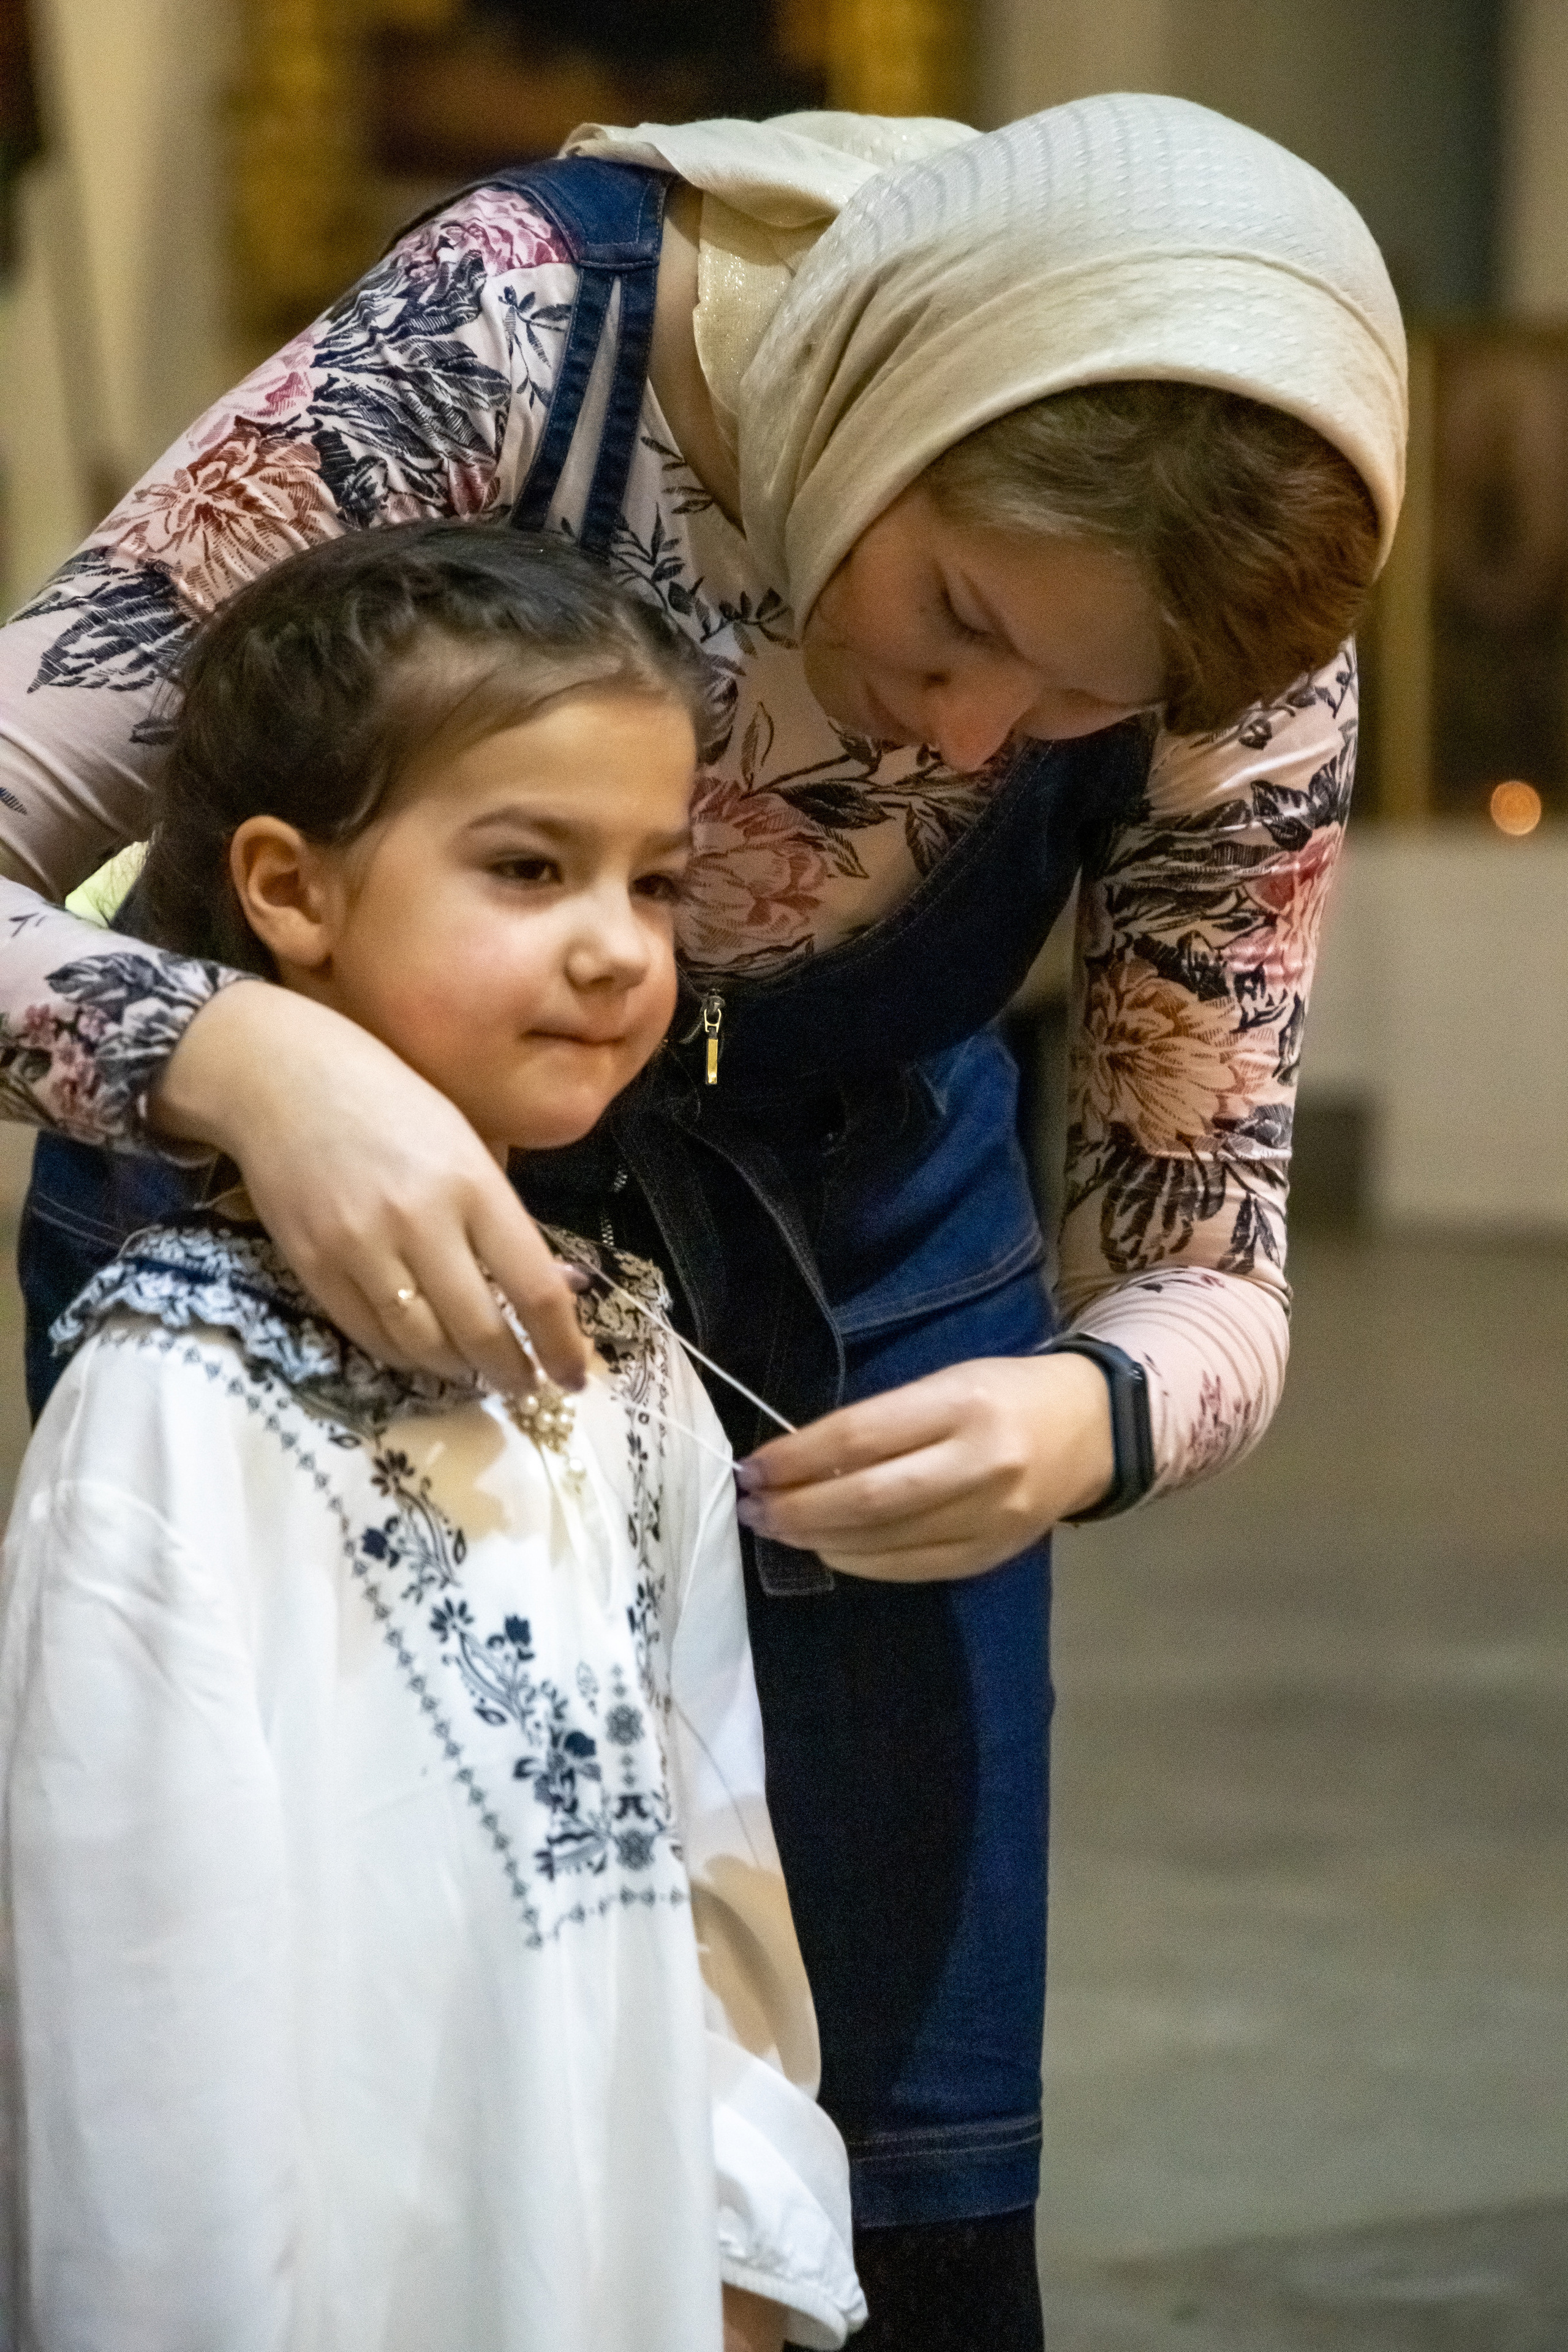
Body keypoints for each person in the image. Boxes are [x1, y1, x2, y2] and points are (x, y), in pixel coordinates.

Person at [0, 92, 1406, 2348]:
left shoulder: (1244, 644)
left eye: (1082, 704)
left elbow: (1203, 1243)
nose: (980, 732)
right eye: (957, 617)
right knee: (346, 2069)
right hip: (293, 1233)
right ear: (889, 399)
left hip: (844, 1274)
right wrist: (247, 1062)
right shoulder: (518, 336)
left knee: (878, 2146)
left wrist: (1087, 1415)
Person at [0, 524, 865, 2352]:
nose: (617, 951)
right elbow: (132, 2040)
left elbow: (718, 1879)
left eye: (653, 882)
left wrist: (736, 2253)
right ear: (290, 892)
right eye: (530, 867)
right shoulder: (173, 1404)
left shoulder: (628, 1363)